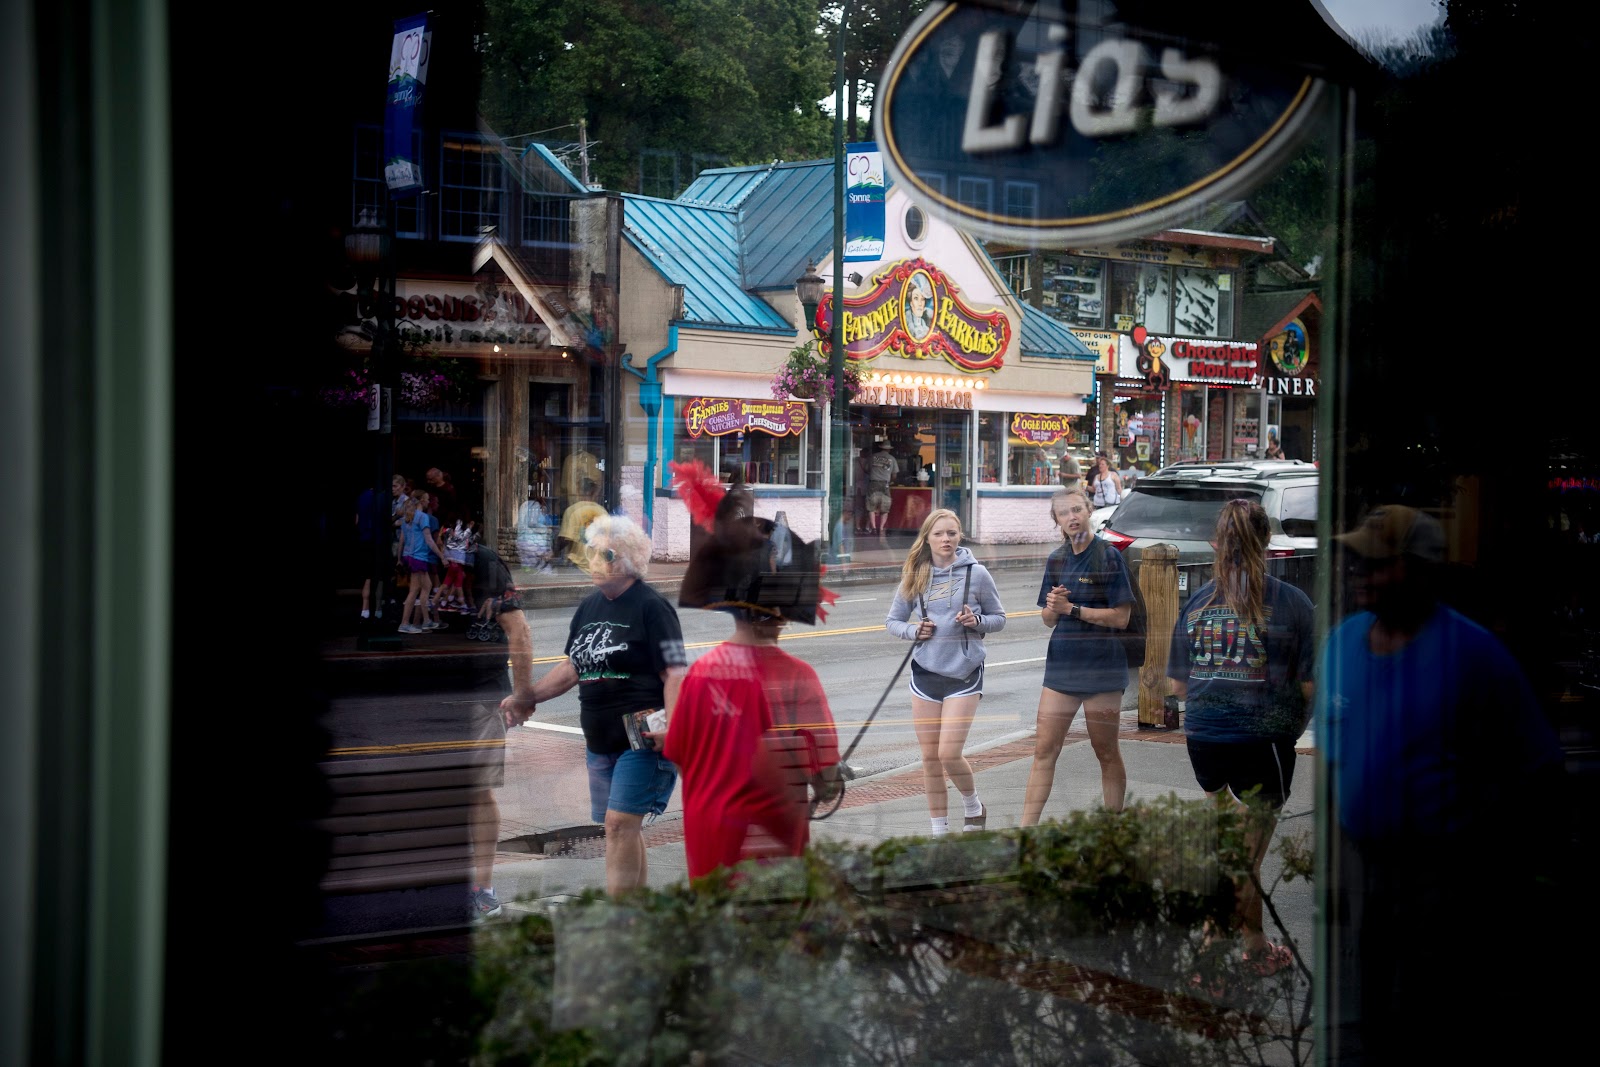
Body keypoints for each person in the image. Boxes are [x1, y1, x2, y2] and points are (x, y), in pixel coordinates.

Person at [1316, 505, 1564, 1064]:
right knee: (1371, 1008)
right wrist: (1335, 865)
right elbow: (1336, 764)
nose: (1360, 573)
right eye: (1355, 560)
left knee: (1435, 1016)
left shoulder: (1474, 655)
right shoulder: (1342, 643)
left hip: (1445, 873)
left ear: (1422, 570)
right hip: (1365, 866)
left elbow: (1538, 771)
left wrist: (1501, 869)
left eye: (1378, 563)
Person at [665, 459, 843, 879]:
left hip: (709, 835)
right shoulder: (799, 678)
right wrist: (829, 784)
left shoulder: (702, 673)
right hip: (771, 846)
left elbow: (679, 757)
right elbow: (826, 780)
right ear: (787, 612)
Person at [1166, 499, 1316, 975]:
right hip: (1261, 739)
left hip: (1204, 740)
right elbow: (1309, 683)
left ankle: (1253, 944)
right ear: (1268, 544)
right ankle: (1211, 946)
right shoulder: (1292, 603)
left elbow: (1178, 685)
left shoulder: (1196, 603)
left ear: (1216, 544)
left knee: (1235, 847)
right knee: (1245, 859)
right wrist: (1292, 727)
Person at [518, 514, 687, 896]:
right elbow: (571, 667)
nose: (594, 561)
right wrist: (528, 696)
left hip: (643, 738)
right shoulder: (589, 606)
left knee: (618, 824)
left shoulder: (653, 608)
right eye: (591, 552)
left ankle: (620, 921)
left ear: (627, 561)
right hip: (600, 740)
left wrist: (672, 728)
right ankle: (636, 911)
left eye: (603, 553)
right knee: (623, 827)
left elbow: (675, 673)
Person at [885, 508, 1007, 835]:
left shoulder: (977, 574)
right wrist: (914, 631)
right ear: (927, 538)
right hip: (925, 674)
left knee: (948, 753)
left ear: (960, 537)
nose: (946, 539)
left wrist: (977, 621)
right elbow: (893, 621)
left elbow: (999, 618)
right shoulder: (916, 573)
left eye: (952, 533)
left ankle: (973, 806)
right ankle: (939, 832)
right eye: (939, 533)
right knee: (930, 759)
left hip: (964, 673)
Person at [1022, 487, 1133, 823]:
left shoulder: (1108, 557)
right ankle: (1025, 833)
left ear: (1088, 510)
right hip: (1062, 669)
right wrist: (1055, 608)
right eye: (1063, 513)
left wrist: (1074, 609)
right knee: (1043, 750)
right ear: (1056, 520)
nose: (1071, 517)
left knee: (1106, 751)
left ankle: (1112, 830)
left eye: (1076, 510)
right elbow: (1047, 618)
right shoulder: (1057, 559)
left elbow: (1122, 617)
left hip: (1102, 671)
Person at [397, 489, 445, 634]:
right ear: (422, 501)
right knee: (415, 590)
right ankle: (405, 623)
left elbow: (402, 540)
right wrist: (441, 556)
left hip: (410, 556)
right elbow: (429, 540)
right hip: (419, 556)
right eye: (426, 499)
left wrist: (399, 558)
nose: (428, 502)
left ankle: (426, 621)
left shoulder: (407, 518)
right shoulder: (422, 517)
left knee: (426, 586)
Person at [556, 477, 606, 572]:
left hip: (578, 567)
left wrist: (555, 549)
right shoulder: (603, 512)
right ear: (593, 492)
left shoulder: (572, 511)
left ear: (579, 491)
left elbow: (565, 540)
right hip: (598, 568)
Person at [867, 439, 897, 540]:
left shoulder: (873, 457)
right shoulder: (892, 459)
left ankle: (874, 528)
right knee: (885, 506)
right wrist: (891, 480)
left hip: (873, 483)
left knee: (871, 506)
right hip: (885, 484)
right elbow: (894, 475)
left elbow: (868, 469)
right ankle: (881, 528)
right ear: (889, 449)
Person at [853, 446, 871, 532]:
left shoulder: (855, 461)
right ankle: (867, 527)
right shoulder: (868, 462)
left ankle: (858, 526)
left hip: (857, 487)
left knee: (859, 508)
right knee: (869, 508)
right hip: (866, 487)